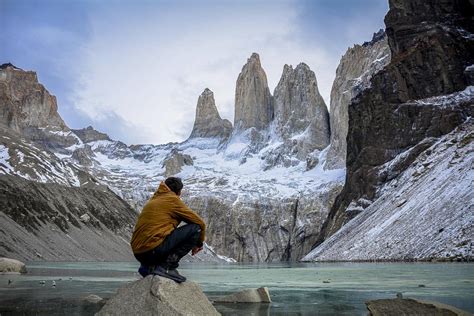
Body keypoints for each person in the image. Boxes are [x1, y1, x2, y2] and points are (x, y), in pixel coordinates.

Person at [130, 177, 206, 283]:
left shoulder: (155, 199)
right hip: (152, 250)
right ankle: (166, 267)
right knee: (196, 229)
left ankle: (148, 267)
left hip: (139, 253)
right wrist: (199, 244)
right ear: (178, 192)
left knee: (158, 233)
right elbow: (200, 223)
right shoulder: (172, 200)